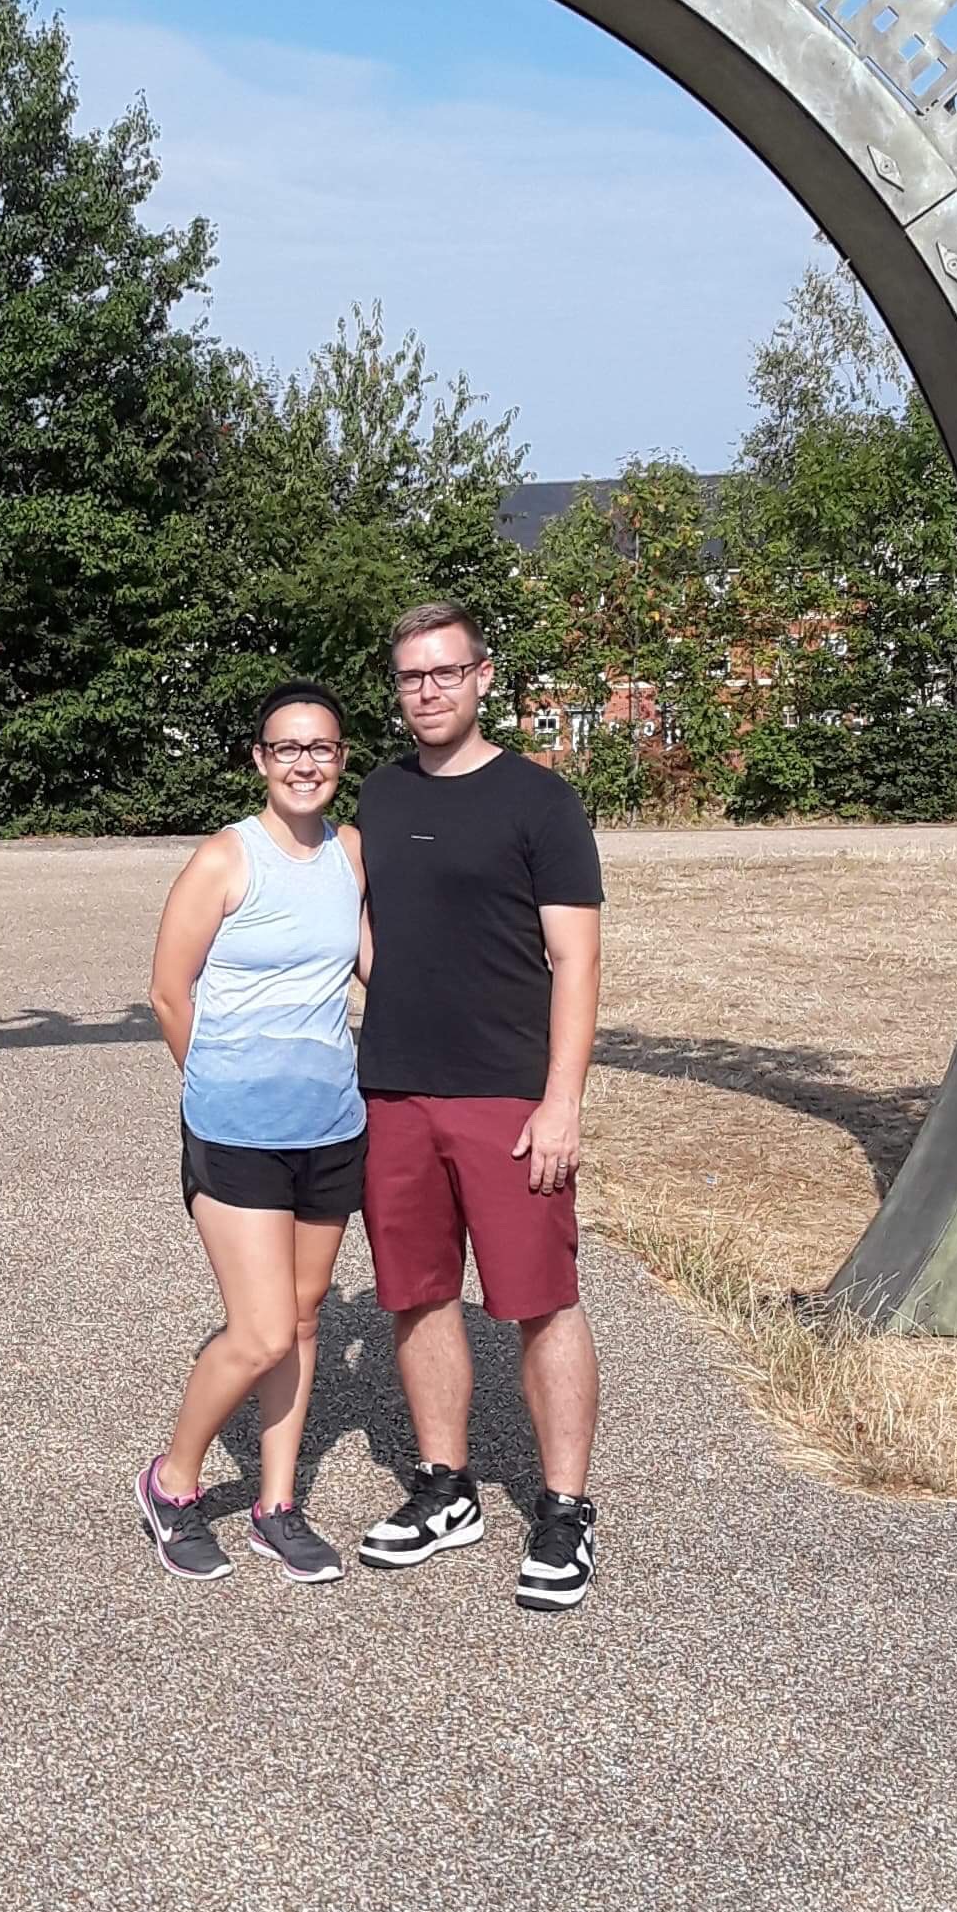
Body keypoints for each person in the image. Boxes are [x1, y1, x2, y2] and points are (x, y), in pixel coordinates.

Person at [353, 603, 605, 1610]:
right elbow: (369, 925)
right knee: (418, 1294)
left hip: (507, 1094)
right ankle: (445, 1487)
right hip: (396, 1091)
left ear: (483, 676)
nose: (428, 691)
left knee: (541, 1300)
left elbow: (576, 961)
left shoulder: (539, 801)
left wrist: (561, 1101)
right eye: (412, 677)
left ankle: (564, 1510)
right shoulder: (380, 792)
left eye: (446, 673)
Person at [140, 686, 367, 1584]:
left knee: (304, 1321)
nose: (306, 763)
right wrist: (218, 1084)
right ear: (261, 760)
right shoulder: (225, 859)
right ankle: (172, 1484)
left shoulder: (352, 853)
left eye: (322, 748)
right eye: (288, 748)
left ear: (341, 758)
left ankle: (276, 1506)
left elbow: (378, 964)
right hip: (236, 1128)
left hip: (332, 1123)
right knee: (263, 1330)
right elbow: (169, 992)